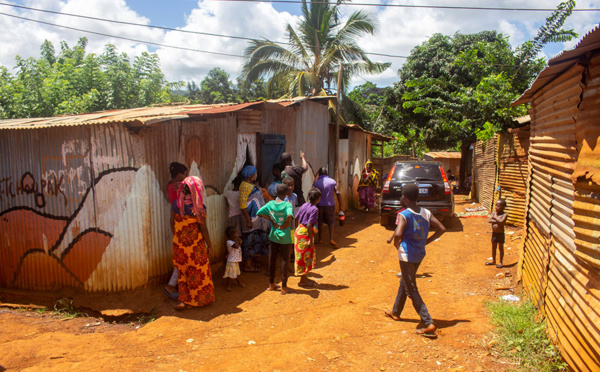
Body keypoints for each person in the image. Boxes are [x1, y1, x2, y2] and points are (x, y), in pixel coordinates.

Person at [384, 183, 446, 338]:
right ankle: (395, 311)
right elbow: (442, 229)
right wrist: (427, 241)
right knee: (405, 281)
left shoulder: (404, 214)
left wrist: (396, 245)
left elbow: (398, 233)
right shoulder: (426, 212)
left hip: (406, 256)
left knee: (411, 287)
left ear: (404, 198)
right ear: (418, 197)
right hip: (419, 254)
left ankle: (427, 322)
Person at [171, 176, 214, 310]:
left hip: (179, 244)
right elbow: (203, 228)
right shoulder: (199, 208)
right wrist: (210, 245)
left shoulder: (176, 204)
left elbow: (172, 222)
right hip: (195, 246)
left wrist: (179, 237)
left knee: (183, 273)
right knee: (198, 272)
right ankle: (195, 301)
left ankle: (183, 300)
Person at [257, 183, 294, 294]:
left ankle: (271, 284)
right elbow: (289, 216)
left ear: (276, 193)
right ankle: (284, 286)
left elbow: (259, 213)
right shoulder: (287, 205)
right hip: (285, 237)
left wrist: (272, 220)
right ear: (287, 193)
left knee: (272, 259)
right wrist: (286, 224)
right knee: (284, 260)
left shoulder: (270, 204)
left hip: (274, 235)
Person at [239, 165, 271, 272]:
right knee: (249, 241)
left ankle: (253, 261)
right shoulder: (244, 186)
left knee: (257, 240)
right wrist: (248, 220)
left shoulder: (249, 185)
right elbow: (243, 205)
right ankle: (248, 265)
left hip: (257, 221)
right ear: (251, 175)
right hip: (251, 221)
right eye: (255, 173)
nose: (256, 175)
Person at [164, 162, 188, 301]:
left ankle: (176, 283)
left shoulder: (170, 184)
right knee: (183, 257)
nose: (185, 176)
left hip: (176, 221)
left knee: (182, 256)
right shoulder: (178, 186)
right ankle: (171, 285)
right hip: (182, 221)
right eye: (184, 174)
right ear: (180, 174)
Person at [294, 187, 321, 287]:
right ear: (318, 198)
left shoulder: (304, 205)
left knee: (300, 255)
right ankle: (302, 280)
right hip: (305, 233)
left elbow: (296, 218)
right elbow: (309, 225)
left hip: (299, 231)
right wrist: (310, 239)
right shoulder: (315, 209)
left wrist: (297, 228)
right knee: (305, 256)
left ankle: (304, 277)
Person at [312, 167, 343, 248]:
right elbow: (338, 193)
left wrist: (312, 205)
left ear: (319, 174)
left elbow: (312, 194)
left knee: (320, 221)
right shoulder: (332, 182)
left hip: (319, 205)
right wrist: (341, 206)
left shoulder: (316, 183)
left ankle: (320, 239)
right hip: (330, 205)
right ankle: (331, 239)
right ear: (326, 173)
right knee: (331, 222)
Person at [486, 199, 507, 268]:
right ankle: (493, 260)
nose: (496, 207)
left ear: (503, 207)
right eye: (496, 205)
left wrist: (495, 217)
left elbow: (501, 222)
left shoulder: (504, 215)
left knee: (500, 247)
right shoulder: (494, 213)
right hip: (494, 233)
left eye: (498, 206)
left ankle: (500, 262)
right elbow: (489, 220)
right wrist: (497, 219)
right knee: (493, 247)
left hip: (500, 234)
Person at [224, 226, 245, 291]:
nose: (237, 235)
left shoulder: (234, 241)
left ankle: (239, 282)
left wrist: (239, 240)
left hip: (235, 260)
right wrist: (236, 238)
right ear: (231, 234)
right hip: (231, 260)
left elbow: (239, 245)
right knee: (230, 274)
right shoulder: (229, 242)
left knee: (236, 272)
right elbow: (236, 246)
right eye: (236, 234)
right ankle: (228, 286)